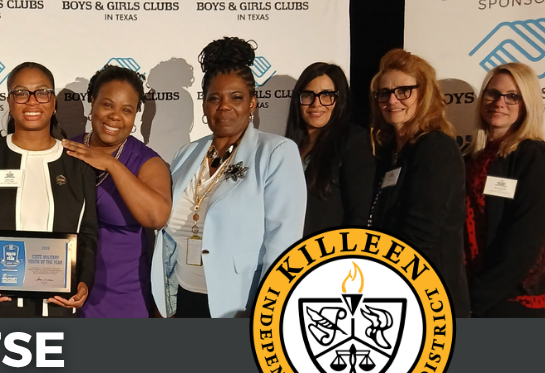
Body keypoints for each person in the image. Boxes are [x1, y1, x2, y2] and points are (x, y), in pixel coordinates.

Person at [151, 37, 306, 318]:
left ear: (252, 103)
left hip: (240, 302)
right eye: (214, 98)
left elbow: (283, 243)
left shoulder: (276, 152)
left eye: (236, 97)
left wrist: (267, 307)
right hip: (183, 296)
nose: (224, 106)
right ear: (204, 105)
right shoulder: (186, 153)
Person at [0, 62, 98, 318]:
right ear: (10, 102)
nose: (32, 101)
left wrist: (83, 281)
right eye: (21, 93)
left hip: (59, 304)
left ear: (54, 102)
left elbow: (88, 232)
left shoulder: (78, 163)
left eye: (42, 92)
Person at [60, 65, 171, 318]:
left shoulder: (146, 162)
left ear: (136, 115)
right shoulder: (66, 150)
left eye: (126, 110)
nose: (115, 117)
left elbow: (157, 217)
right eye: (108, 105)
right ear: (92, 102)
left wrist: (112, 165)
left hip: (122, 298)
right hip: (62, 289)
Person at [367, 49, 470, 317]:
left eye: (404, 91)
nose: (392, 100)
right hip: (397, 293)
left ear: (424, 94)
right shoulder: (389, 152)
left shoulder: (435, 147)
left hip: (430, 299)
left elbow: (420, 232)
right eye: (384, 92)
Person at [463, 63, 545, 317]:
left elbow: (525, 240)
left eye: (512, 96)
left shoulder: (533, 156)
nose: (499, 103)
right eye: (493, 93)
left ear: (527, 104)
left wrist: (477, 298)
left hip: (512, 300)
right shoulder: (471, 158)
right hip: (471, 293)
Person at [284, 63, 374, 235]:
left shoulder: (353, 141)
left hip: (330, 249)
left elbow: (360, 214)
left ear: (339, 100)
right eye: (308, 95)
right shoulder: (289, 147)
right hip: (290, 248)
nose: (316, 104)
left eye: (326, 95)